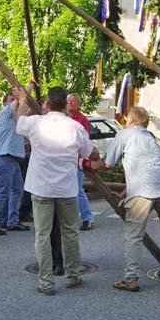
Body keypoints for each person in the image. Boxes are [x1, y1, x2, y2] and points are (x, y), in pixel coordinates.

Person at [14, 86, 100, 295]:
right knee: (70, 232)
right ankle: (72, 276)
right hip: (67, 189)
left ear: (47, 104)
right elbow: (93, 154)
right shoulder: (75, 127)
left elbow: (18, 119)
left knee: (42, 235)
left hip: (41, 187)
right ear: (64, 105)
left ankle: (46, 281)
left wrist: (24, 99)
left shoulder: (35, 123)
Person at [99, 107, 160, 291]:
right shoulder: (150, 137)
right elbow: (150, 166)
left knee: (133, 235)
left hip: (142, 190)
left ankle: (131, 279)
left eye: (126, 119)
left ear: (131, 120)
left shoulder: (126, 134)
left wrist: (87, 163)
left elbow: (107, 163)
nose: (125, 121)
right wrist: (125, 192)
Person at [0, 90, 31, 235]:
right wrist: (28, 88)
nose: (13, 101)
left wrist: (31, 104)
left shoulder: (16, 119)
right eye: (10, 99)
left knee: (17, 189)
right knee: (3, 191)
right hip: (4, 157)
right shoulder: (4, 114)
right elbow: (21, 101)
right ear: (4, 104)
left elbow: (24, 114)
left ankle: (11, 221)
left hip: (12, 159)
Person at [66, 93, 94, 231]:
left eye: (72, 101)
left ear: (78, 104)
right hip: (65, 160)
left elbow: (84, 142)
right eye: (68, 101)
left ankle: (88, 218)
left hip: (76, 161)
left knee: (77, 190)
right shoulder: (64, 118)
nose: (69, 103)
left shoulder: (81, 120)